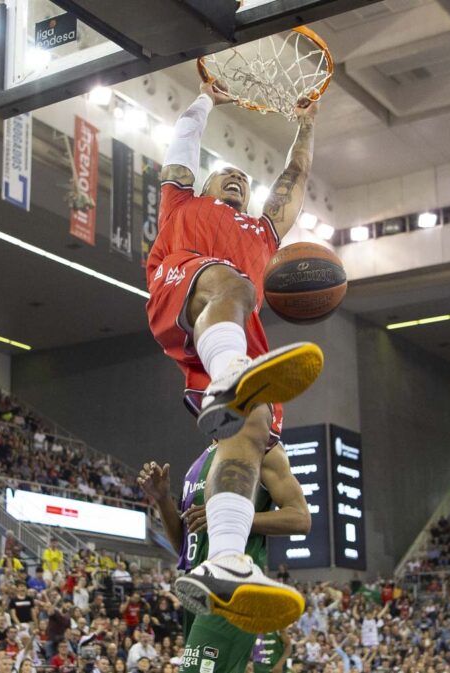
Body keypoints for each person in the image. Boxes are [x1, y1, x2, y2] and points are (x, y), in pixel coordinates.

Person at [146, 78, 322, 633]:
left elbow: (293, 178)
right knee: (235, 284)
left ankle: (224, 558)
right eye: (229, 173)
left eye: (245, 180)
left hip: (233, 342)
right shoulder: (183, 203)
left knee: (250, 439)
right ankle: (229, 379)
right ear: (206, 182)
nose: (240, 180)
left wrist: (308, 123)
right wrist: (205, 100)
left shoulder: (264, 231)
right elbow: (181, 145)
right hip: (180, 287)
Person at [139, 441, 309, 673]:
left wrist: (229, 515)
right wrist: (162, 499)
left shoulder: (264, 449)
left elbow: (301, 518)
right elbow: (185, 546)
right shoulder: (199, 463)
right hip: (199, 588)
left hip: (233, 590)